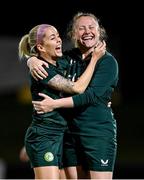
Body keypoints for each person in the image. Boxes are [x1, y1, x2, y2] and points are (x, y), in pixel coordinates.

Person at [27, 12, 119, 179]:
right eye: (81, 28)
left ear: (99, 32)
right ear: (73, 34)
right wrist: (31, 60)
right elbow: (45, 59)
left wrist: (55, 104)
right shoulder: (68, 58)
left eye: (92, 27)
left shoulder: (107, 61)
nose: (87, 31)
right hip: (69, 135)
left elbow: (90, 96)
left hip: (97, 133)